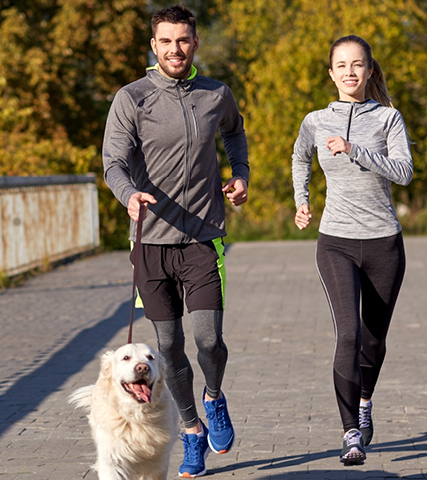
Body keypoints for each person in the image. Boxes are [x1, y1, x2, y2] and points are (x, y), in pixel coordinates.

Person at [102, 4, 249, 477]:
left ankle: (214, 397)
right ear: (154, 46)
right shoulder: (133, 97)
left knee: (209, 340)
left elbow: (235, 133)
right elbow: (113, 163)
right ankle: (191, 433)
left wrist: (239, 174)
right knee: (167, 348)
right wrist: (128, 195)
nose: (175, 49)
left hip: (204, 238)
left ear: (195, 43)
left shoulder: (215, 94)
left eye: (183, 40)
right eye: (166, 41)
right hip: (150, 242)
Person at [291, 35, 413, 465]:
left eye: (357, 65)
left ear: (370, 70)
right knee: (349, 335)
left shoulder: (388, 120)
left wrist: (355, 149)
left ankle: (364, 402)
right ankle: (350, 433)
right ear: (331, 73)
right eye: (341, 65)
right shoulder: (315, 120)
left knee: (374, 341)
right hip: (336, 240)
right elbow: (299, 156)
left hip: (384, 243)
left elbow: (403, 172)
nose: (349, 72)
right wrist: (301, 199)